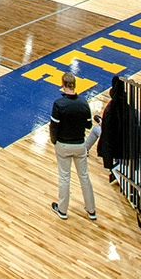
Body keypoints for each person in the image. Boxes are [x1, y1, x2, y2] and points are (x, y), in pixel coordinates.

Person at [48, 72, 97, 221]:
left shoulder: (59, 104)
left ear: (63, 85)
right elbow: (89, 125)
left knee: (64, 177)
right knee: (84, 177)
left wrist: (54, 141)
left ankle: (62, 210)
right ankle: (91, 210)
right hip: (79, 144)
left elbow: (54, 127)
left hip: (63, 144)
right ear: (75, 85)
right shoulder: (83, 103)